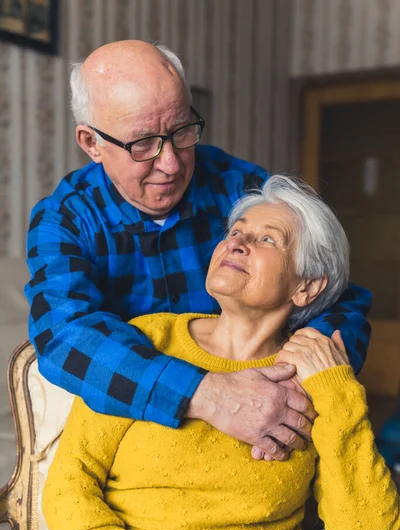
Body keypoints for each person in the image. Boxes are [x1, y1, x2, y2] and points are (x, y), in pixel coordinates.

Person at [23, 176, 399, 530]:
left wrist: (336, 387)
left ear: (307, 287)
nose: (236, 244)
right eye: (235, 233)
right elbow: (70, 485)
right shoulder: (148, 341)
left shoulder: (314, 382)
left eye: (266, 240)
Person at [24, 40, 372, 462]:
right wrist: (208, 394)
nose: (170, 163)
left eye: (182, 132)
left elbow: (340, 301)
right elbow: (64, 336)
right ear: (91, 143)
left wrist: (294, 382)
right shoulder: (66, 218)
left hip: (263, 419)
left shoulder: (241, 187)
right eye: (142, 144)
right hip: (141, 431)